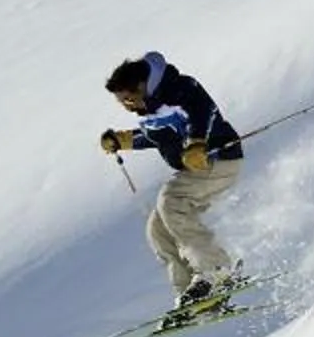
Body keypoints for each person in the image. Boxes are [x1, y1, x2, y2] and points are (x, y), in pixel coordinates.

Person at [101, 52, 246, 316]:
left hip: (218, 159)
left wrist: (197, 142)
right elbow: (155, 136)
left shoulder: (178, 88)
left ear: (142, 85)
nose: (127, 106)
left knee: (172, 202)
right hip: (195, 169)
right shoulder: (149, 108)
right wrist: (123, 141)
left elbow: (204, 111)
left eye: (127, 98)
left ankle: (215, 271)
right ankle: (193, 295)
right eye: (122, 102)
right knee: (157, 229)